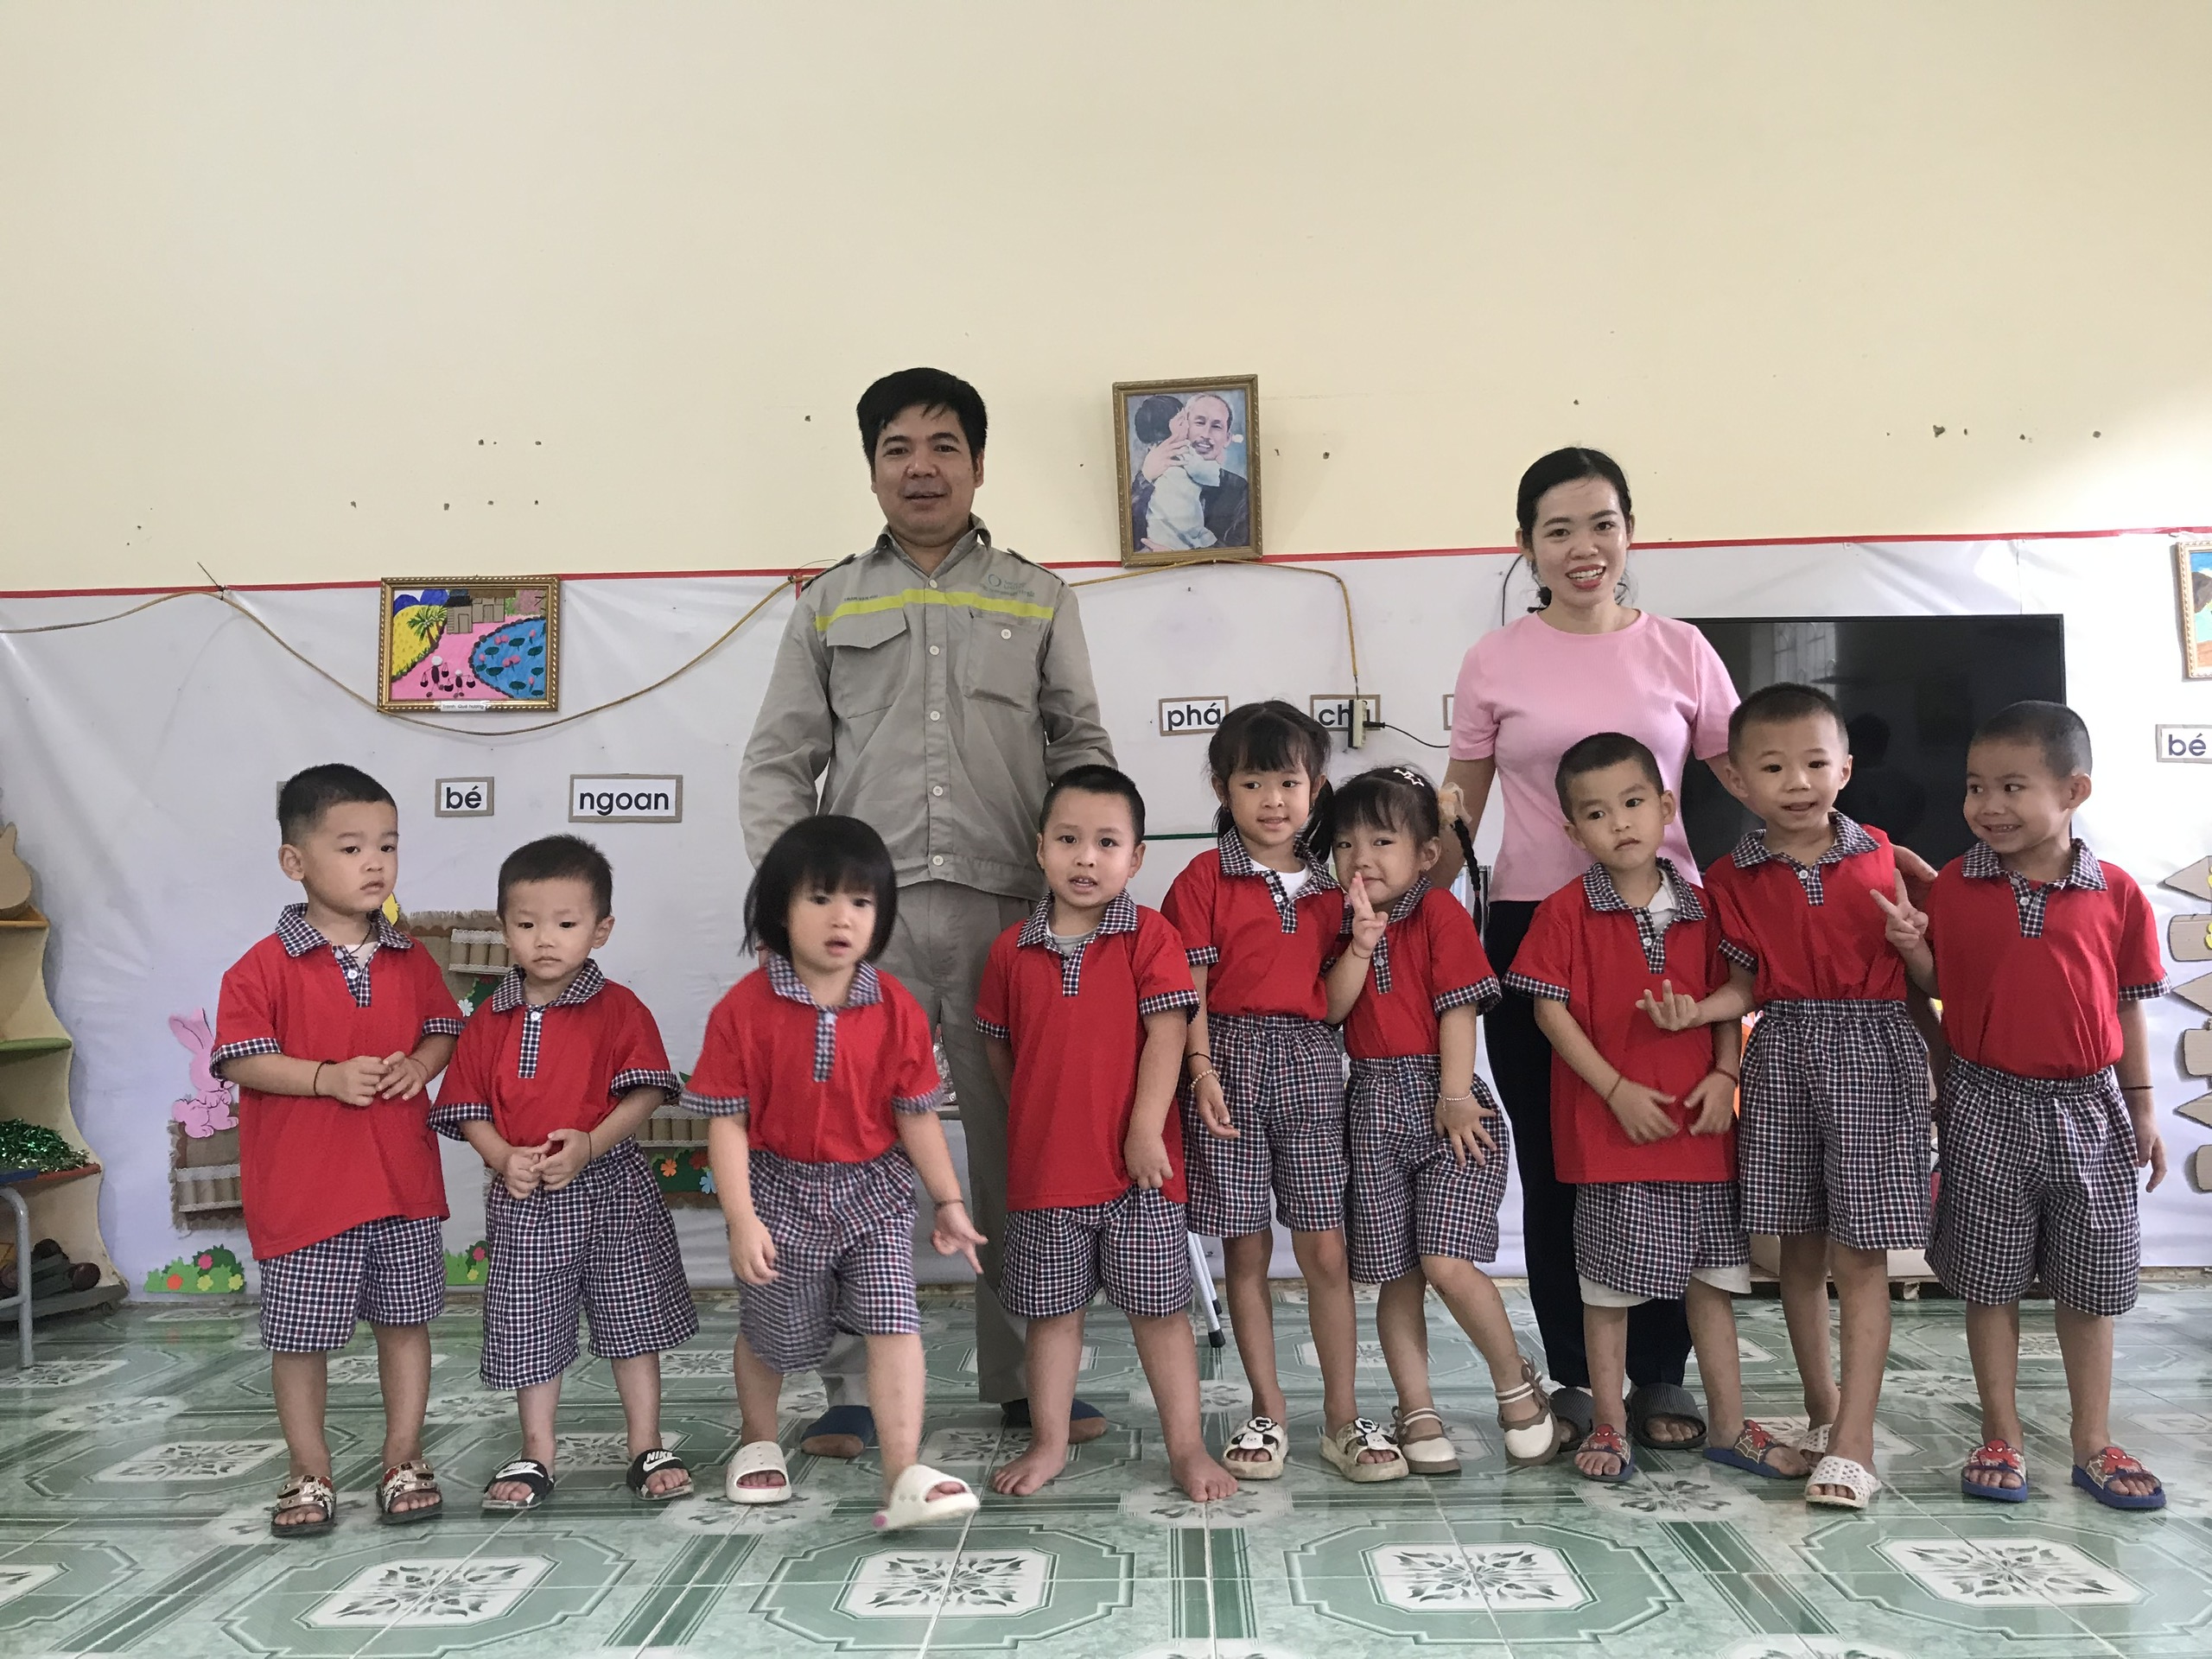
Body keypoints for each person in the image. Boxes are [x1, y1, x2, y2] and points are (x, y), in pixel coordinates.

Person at [741, 367, 1116, 1461]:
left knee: (1021, 1147)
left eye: (943, 445)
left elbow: (1081, 747)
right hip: (869, 925)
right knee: (849, 1152)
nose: (921, 467)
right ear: (871, 469)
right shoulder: (829, 604)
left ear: (978, 465)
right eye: (897, 447)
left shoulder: (1038, 597)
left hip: (1013, 914)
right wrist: (798, 903)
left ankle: (1026, 1380)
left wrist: (1084, 882)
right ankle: (853, 1387)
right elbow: (778, 762)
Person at [1437, 448, 1738, 1453]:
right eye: (1557, 529)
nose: (1583, 547)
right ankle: (1575, 1374)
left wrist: (1849, 852)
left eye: (1601, 523)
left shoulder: (1682, 651)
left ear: (1629, 531)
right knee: (1562, 1158)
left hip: (1670, 934)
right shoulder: (1493, 661)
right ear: (1525, 546)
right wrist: (1394, 900)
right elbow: (1458, 814)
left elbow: (1754, 784)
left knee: (1669, 1155)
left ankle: (1660, 1375)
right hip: (1536, 933)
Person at [1877, 701, 2169, 1510]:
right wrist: (1915, 951)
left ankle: (2092, 1440)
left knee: (2092, 1283)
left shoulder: (2117, 892)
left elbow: (2129, 1004)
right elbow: (1943, 985)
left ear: (2074, 791)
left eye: (2012, 787)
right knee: (1989, 1278)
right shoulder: (1955, 887)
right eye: (1976, 786)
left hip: (2090, 1104)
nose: (1988, 806)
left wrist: (2143, 1108)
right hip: (1985, 1101)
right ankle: (1999, 1432)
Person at [1644, 683, 1931, 1509]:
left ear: (1846, 767)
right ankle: (1823, 1411)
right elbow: (1743, 985)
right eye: (1773, 768)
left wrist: (1915, 948)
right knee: (1796, 1251)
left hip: (1874, 1051)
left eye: (1814, 762)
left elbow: (1930, 974)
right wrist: (1697, 1011)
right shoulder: (1729, 878)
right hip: (1782, 1056)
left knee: (1861, 1254)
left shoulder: (1886, 856)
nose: (1797, 782)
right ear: (1738, 780)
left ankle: (1856, 1441)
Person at [1505, 734, 1809, 1485]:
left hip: (1699, 1135)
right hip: (1610, 1139)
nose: (1620, 823)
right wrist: (1614, 1089)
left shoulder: (1708, 907)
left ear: (1666, 806)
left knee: (1714, 1285)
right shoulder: (1563, 912)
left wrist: (1724, 1074)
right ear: (1573, 831)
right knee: (1608, 1291)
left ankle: (1730, 1427)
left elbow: (1735, 994)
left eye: (1634, 802)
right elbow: (1548, 1011)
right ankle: (1610, 1423)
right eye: (1597, 813)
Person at [690, 815, 988, 1531]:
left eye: (861, 901)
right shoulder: (742, 1011)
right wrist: (742, 1219)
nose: (842, 918)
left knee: (894, 1320)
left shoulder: (896, 1008)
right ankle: (758, 1441)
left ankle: (903, 1473)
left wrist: (948, 1201)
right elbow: (726, 1122)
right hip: (777, 1191)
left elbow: (916, 1115)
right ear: (779, 907)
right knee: (772, 1332)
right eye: (820, 898)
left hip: (874, 1194)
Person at [211, 764, 465, 1535]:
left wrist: (421, 1064)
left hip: (401, 1188)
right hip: (306, 1196)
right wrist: (324, 1077)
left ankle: (403, 1456)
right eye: (351, 848)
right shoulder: (260, 967)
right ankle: (308, 1469)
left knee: (406, 1324)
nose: (375, 863)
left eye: (387, 845)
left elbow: (444, 1028)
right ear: (295, 861)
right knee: (301, 1341)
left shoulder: (410, 957)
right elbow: (241, 1059)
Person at [975, 766, 1238, 1503]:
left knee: (1160, 1315)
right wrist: (1040, 1117)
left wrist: (1144, 1130)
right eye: (1068, 840)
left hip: (1141, 1175)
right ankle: (1049, 1442)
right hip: (1046, 1178)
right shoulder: (1009, 951)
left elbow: (1168, 1033)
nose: (1085, 858)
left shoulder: (1150, 937)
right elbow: (999, 1047)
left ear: (1136, 856)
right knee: (1053, 1319)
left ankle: (1187, 1449)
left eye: (1106, 843)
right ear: (1040, 849)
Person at [1164, 701, 1406, 1483]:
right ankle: (1266, 1411)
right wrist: (1200, 1070)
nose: (1273, 800)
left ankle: (1341, 1416)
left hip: (1309, 1064)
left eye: (1289, 783)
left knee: (1326, 1248)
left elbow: (1331, 1008)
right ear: (1222, 789)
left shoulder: (1334, 890)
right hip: (1226, 1064)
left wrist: (1361, 946)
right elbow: (1190, 991)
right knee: (1246, 1247)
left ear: (1316, 787)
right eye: (1252, 783)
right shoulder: (1203, 879)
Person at [430, 835, 698, 1512]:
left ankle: (646, 1444)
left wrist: (591, 1144)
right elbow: (468, 1107)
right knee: (530, 1322)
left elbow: (646, 1091)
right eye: (526, 924)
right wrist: (502, 1158)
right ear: (504, 928)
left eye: (566, 923)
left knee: (631, 1315)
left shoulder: (621, 1008)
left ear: (600, 930)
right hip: (526, 1198)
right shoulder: (489, 1018)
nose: (544, 939)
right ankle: (537, 1450)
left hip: (614, 1190)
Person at [1325, 766, 1563, 1475]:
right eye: (1345, 844)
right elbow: (1332, 1010)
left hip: (1448, 1105)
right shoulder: (1337, 922)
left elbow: (1458, 1007)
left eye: (1381, 841)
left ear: (1426, 854)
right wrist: (1360, 945)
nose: (1360, 858)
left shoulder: (1438, 914)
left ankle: (1514, 1382)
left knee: (1445, 1260)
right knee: (1396, 1273)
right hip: (1370, 1109)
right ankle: (1417, 1407)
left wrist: (1455, 1096)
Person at [1131, 391, 1250, 552]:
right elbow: (1130, 535)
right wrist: (1145, 477)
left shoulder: (1240, 489)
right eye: (1199, 423)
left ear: (1227, 438)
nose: (1206, 434)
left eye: (1216, 426)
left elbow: (1239, 546)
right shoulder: (1148, 479)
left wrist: (1178, 557)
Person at [1130, 396, 1217, 551]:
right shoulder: (1178, 450)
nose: (1188, 426)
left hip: (1180, 512)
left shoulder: (1160, 452)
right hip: (1172, 514)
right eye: (1181, 422)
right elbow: (1208, 475)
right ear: (1161, 432)